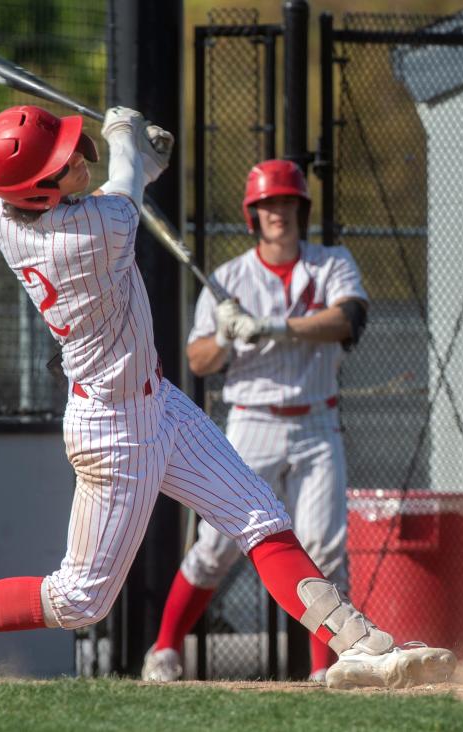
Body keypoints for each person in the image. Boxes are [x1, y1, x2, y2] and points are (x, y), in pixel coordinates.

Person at [0, 103, 456, 689]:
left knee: (260, 516)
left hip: (157, 401)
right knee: (78, 600)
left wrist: (140, 164)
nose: (76, 160)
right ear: (38, 194)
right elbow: (121, 188)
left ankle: (357, 646)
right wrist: (127, 140)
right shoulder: (93, 231)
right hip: (113, 430)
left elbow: (108, 180)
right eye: (63, 163)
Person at [141, 159, 367, 684]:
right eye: (267, 205)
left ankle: (322, 671)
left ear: (301, 209)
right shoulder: (228, 278)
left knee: (325, 548)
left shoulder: (331, 263)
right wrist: (223, 336)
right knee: (217, 545)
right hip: (251, 422)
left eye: (286, 202)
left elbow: (349, 319)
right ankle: (166, 649)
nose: (277, 213)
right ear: (253, 214)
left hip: (318, 422)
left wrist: (269, 326)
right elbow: (198, 362)